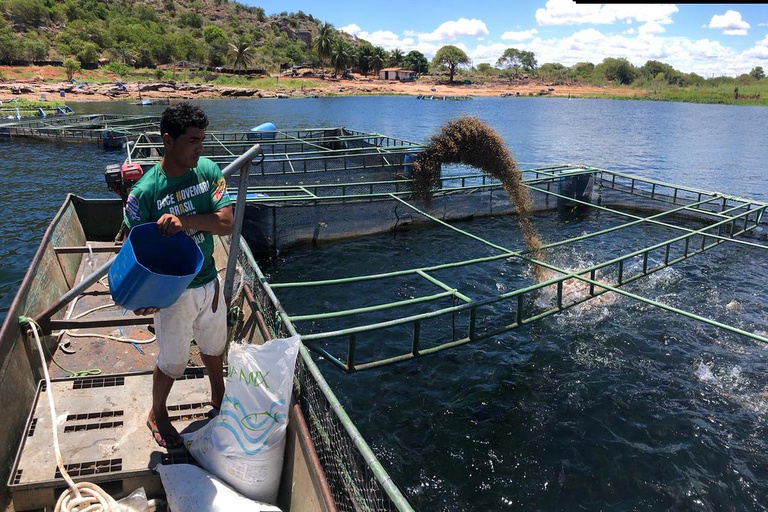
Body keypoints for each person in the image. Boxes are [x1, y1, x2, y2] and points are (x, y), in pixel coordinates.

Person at [124, 102, 233, 448]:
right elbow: (134, 249)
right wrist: (143, 297)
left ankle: (220, 398)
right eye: (192, 141)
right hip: (172, 292)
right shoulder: (144, 193)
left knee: (214, 346)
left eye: (202, 140)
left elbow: (226, 223)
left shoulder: (209, 171)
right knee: (173, 360)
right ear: (168, 141)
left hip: (208, 281)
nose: (200, 148)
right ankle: (157, 412)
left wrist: (184, 222)